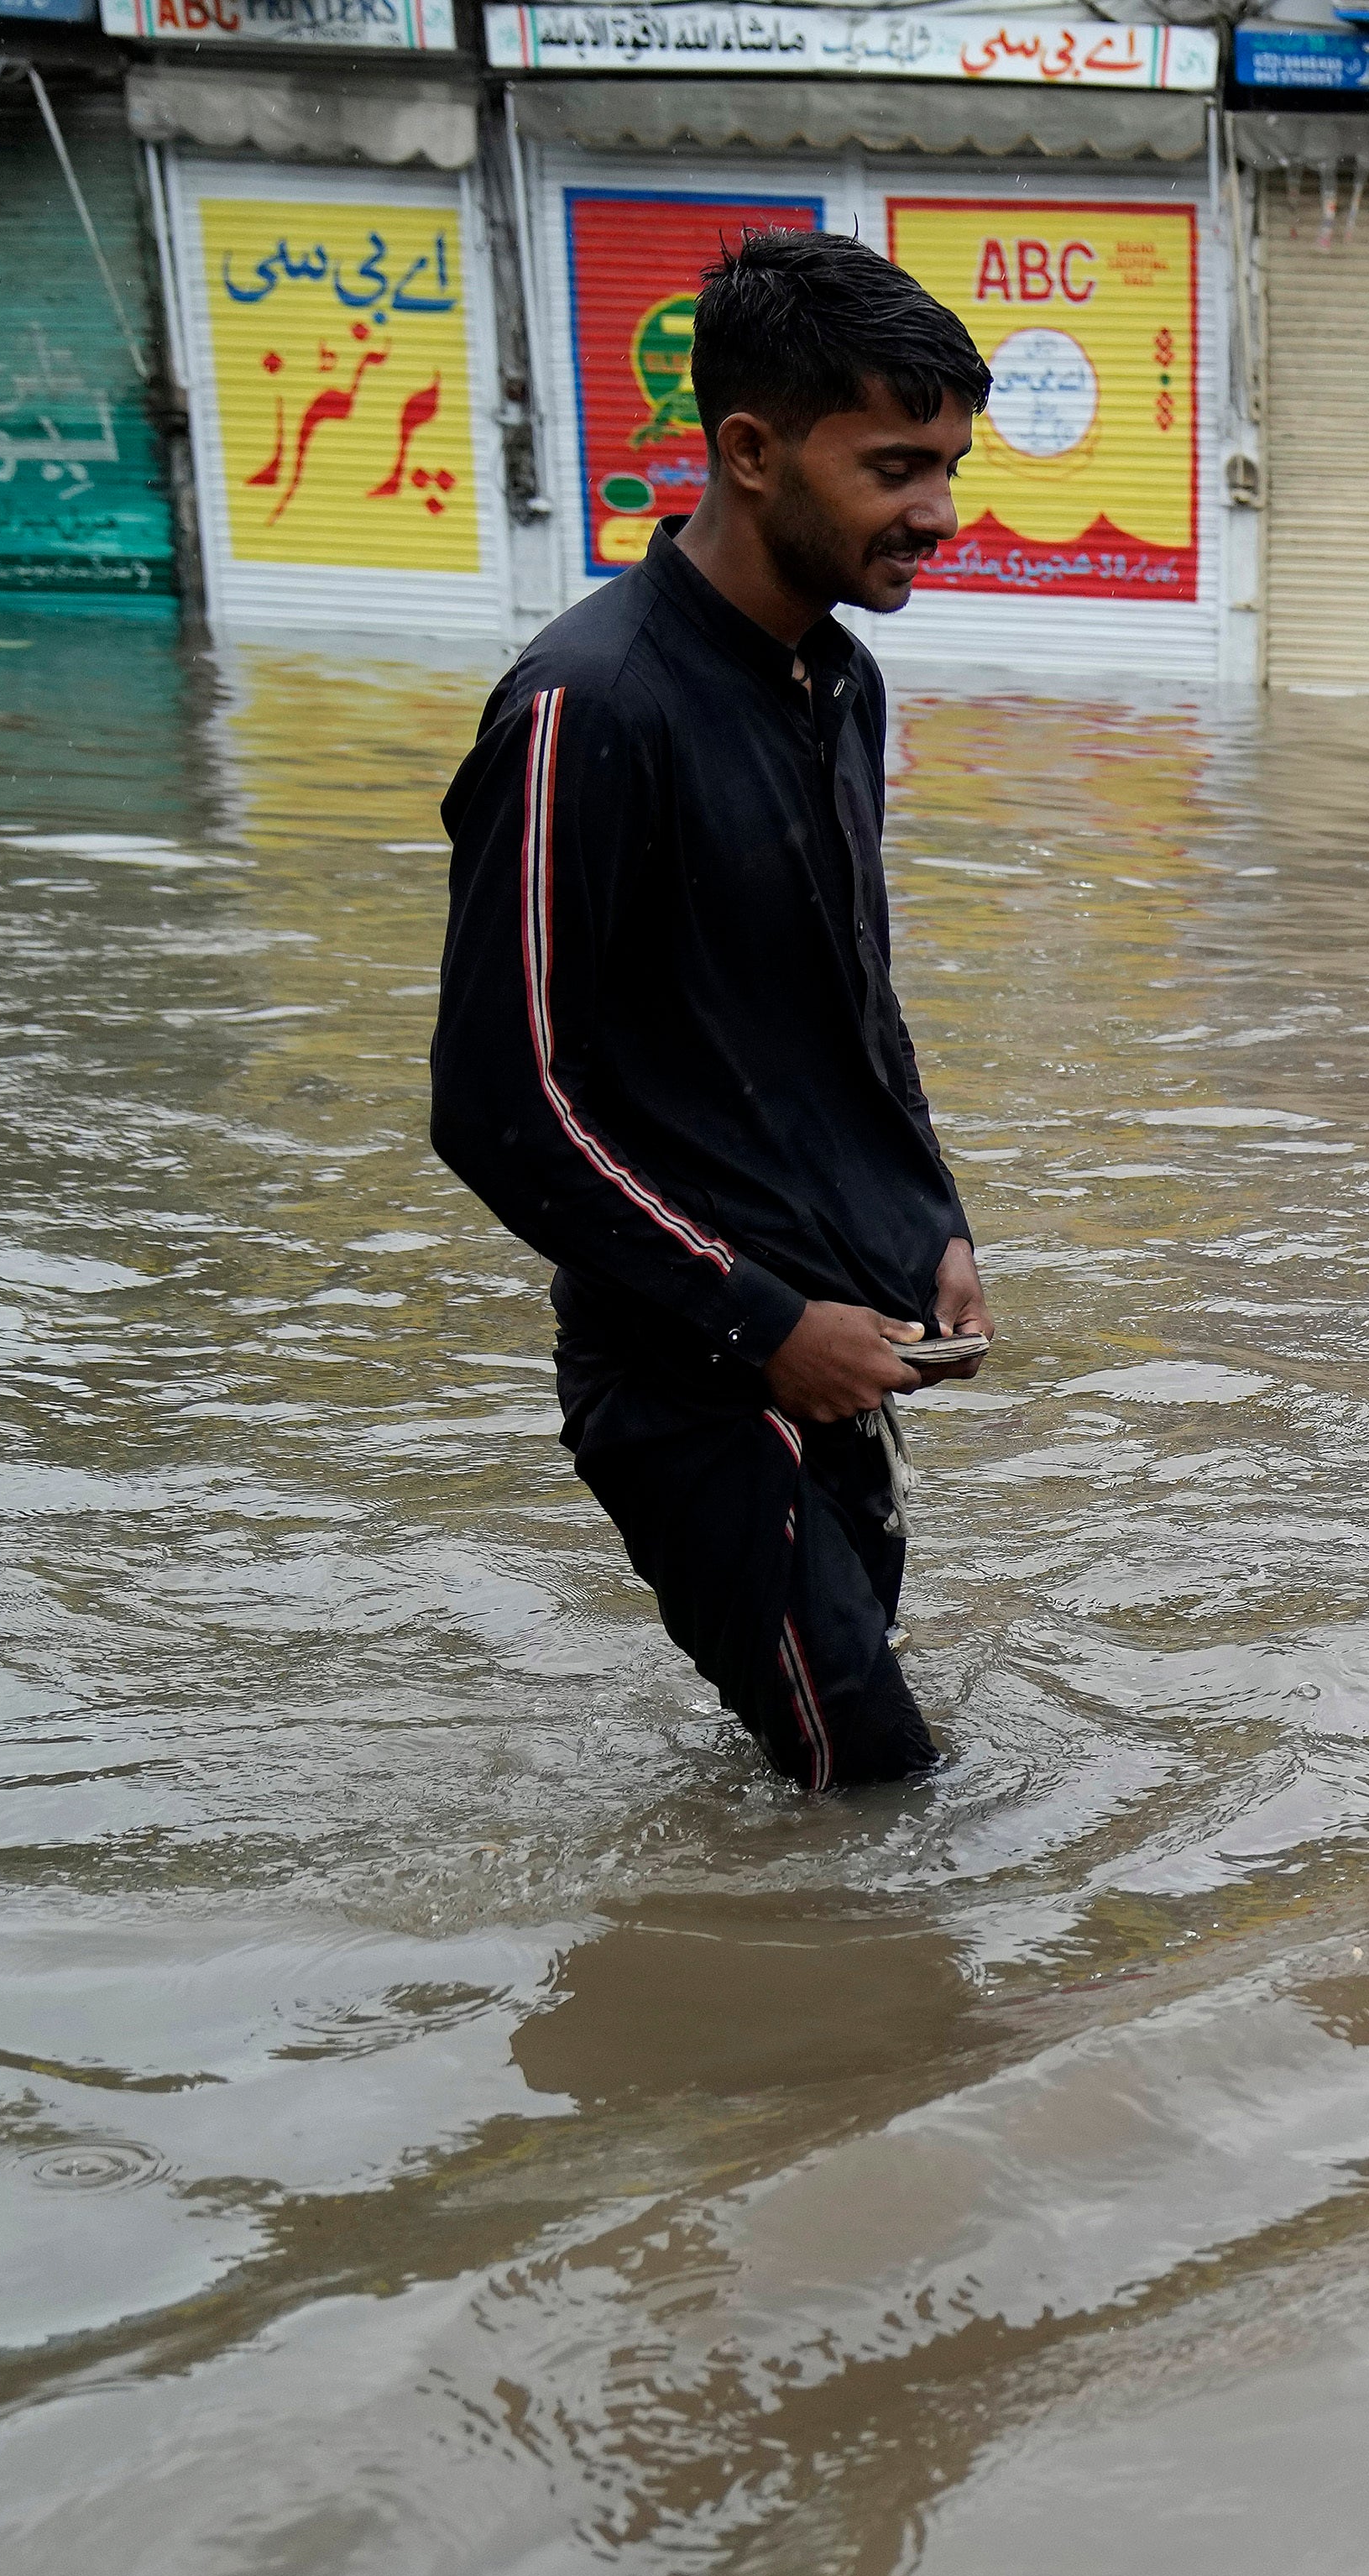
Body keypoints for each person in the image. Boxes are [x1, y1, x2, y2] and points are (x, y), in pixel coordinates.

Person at [429, 231, 993, 1790]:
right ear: (749, 451)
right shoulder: (583, 709)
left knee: (814, 1789)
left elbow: (849, 1009)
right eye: (896, 467)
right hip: (696, 1383)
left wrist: (928, 1222)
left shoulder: (838, 684)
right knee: (878, 1793)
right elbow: (496, 1104)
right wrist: (762, 1322)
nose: (938, 514)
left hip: (843, 1349)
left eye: (946, 464)